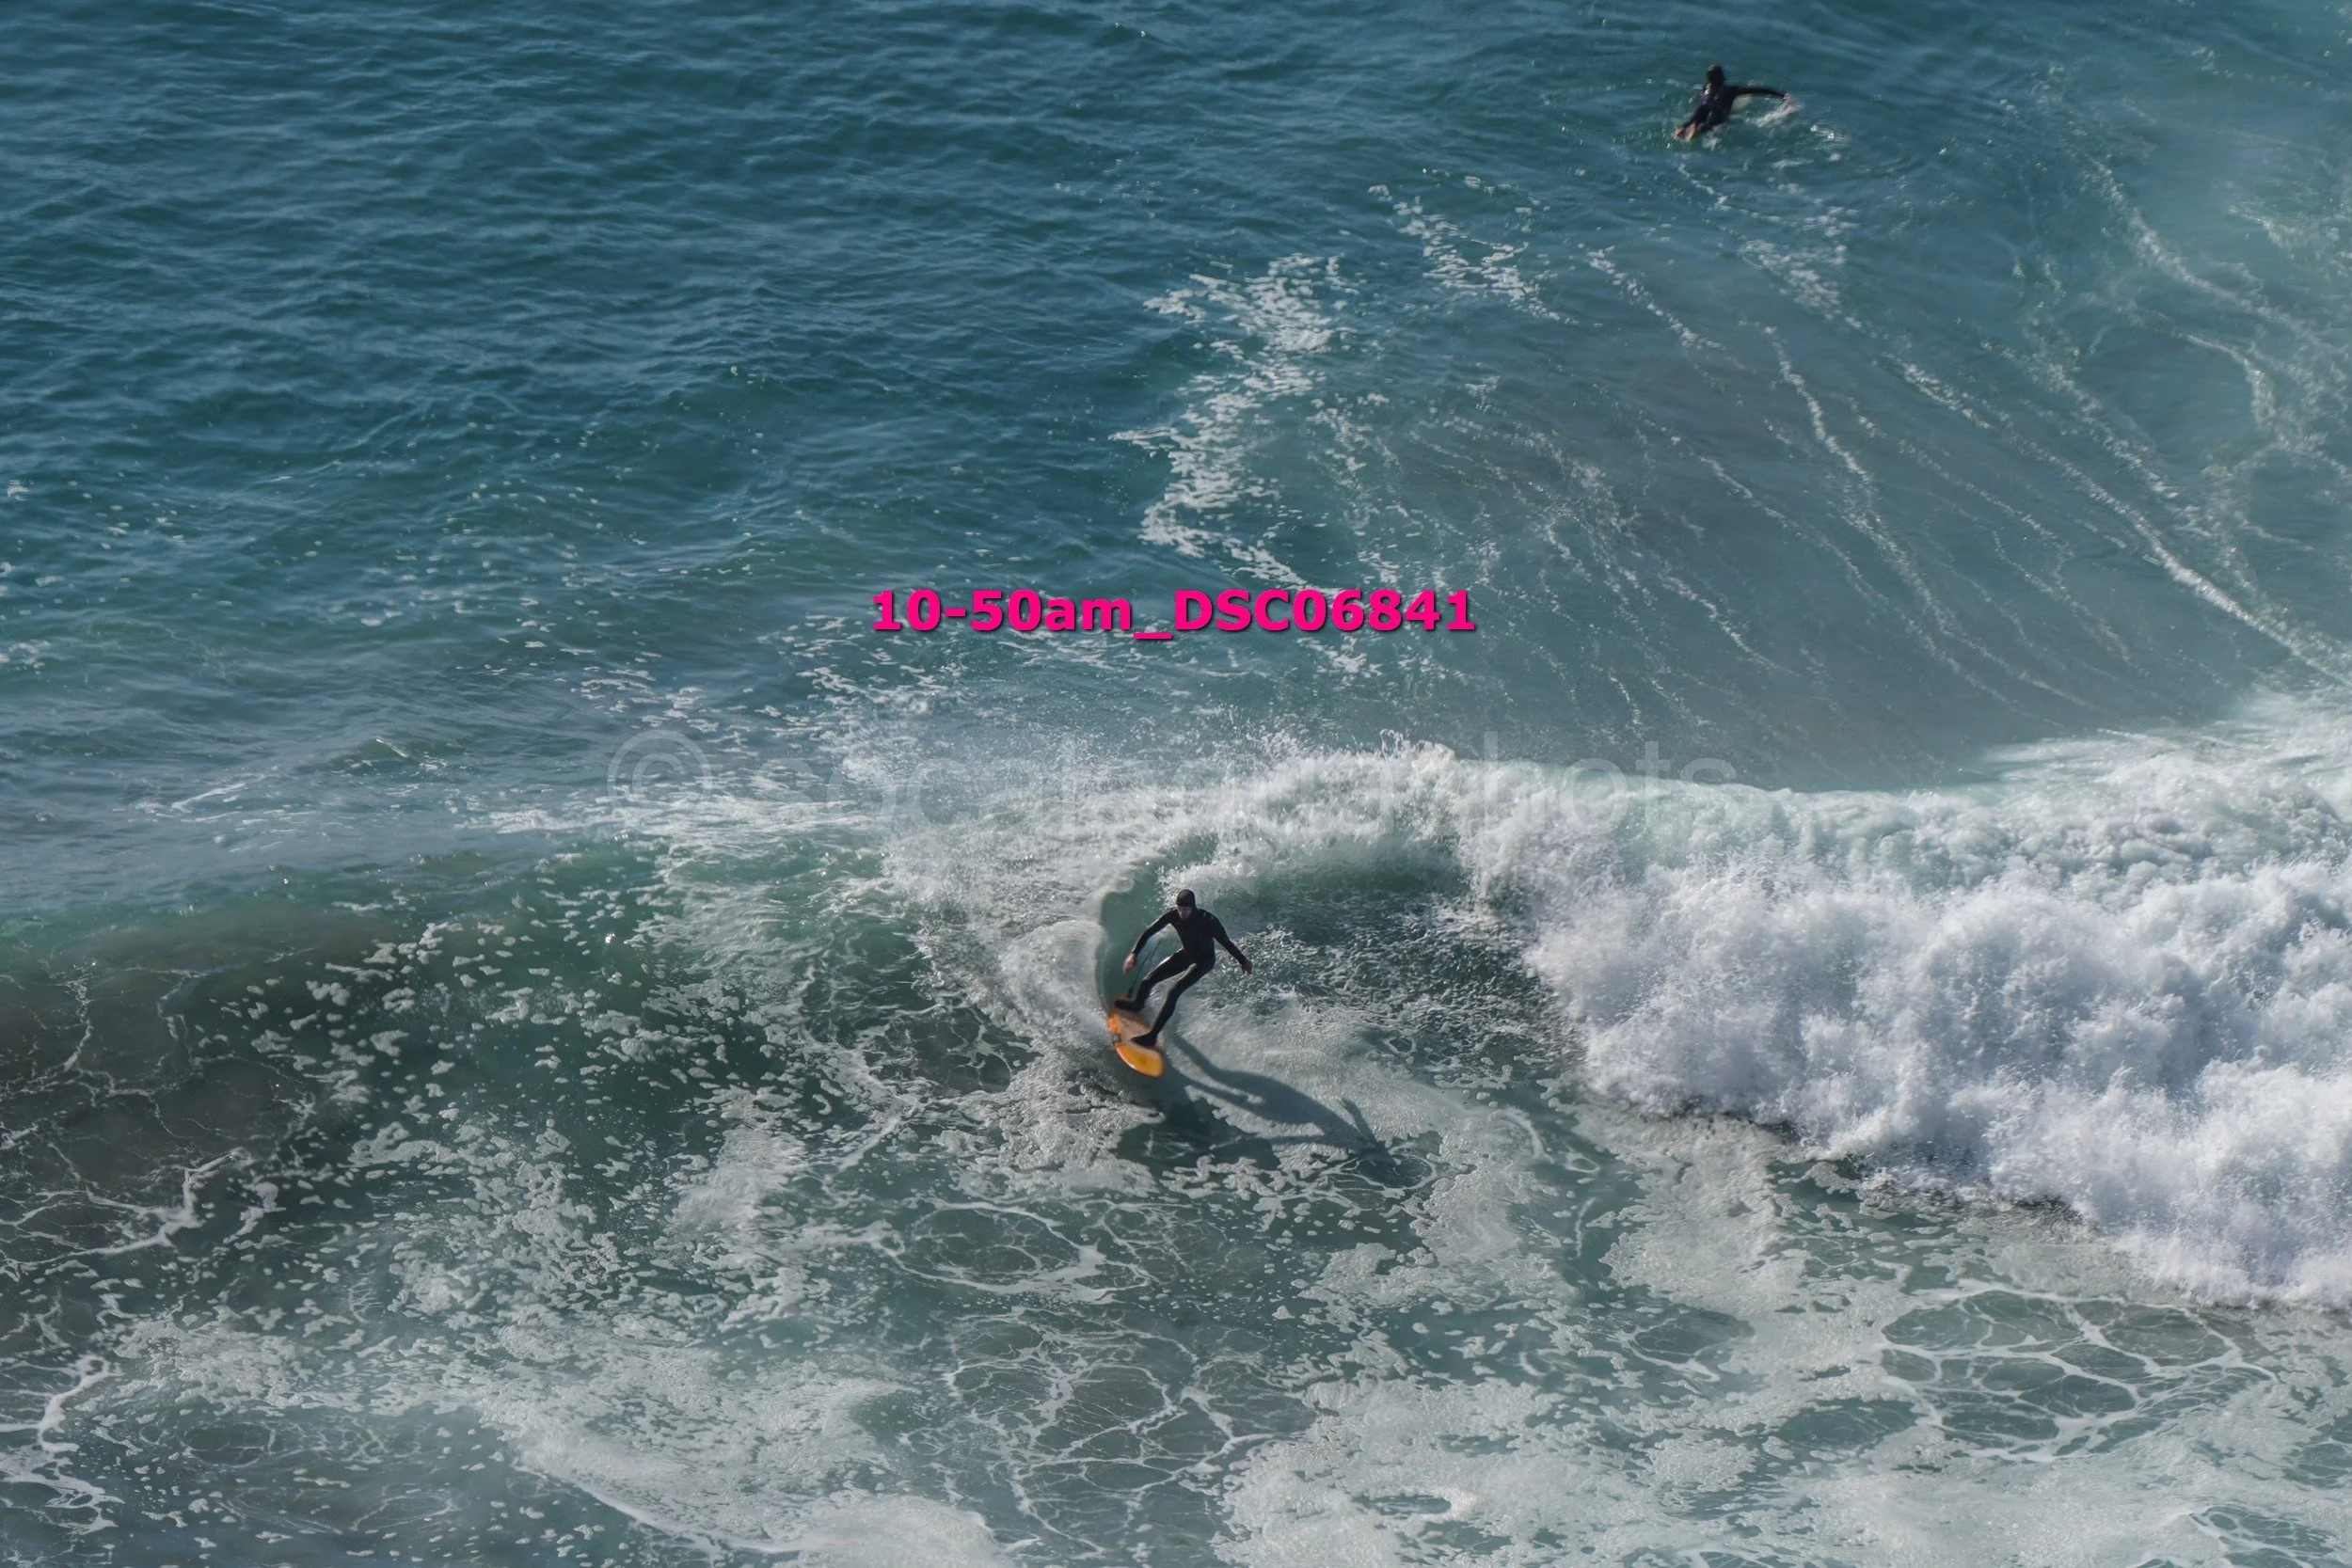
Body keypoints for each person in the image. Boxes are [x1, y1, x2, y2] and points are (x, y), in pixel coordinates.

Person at [1117, 888, 1251, 1048]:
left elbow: (1226, 942)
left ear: (1193, 908)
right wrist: (1134, 953)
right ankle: (1137, 1006)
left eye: (1186, 909)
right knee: (1148, 980)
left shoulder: (1208, 921)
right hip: (1186, 954)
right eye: (1180, 908)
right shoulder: (1172, 915)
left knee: (1174, 991)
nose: (1182, 913)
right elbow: (1149, 931)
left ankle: (1152, 1037)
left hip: (1203, 962)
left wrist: (1243, 960)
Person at [1675, 64, 1786, 141]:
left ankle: (1682, 129)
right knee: (1709, 125)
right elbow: (1758, 90)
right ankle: (1697, 131)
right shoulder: (1731, 90)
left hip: (1702, 107)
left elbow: (1699, 100)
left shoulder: (1704, 89)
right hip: (1717, 109)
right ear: (1722, 77)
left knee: (1691, 121)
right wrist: (1782, 95)